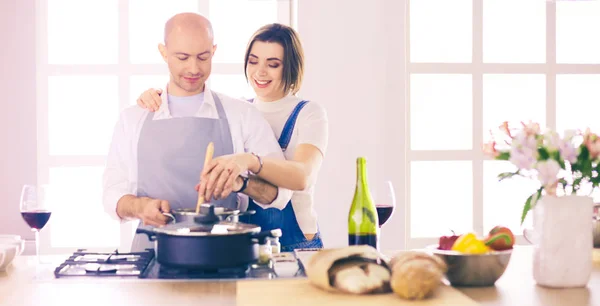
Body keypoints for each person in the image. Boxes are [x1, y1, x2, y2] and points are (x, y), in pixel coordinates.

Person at [102, 13, 292, 252]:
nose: (193, 68)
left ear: (213, 51)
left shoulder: (242, 115)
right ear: (164, 52)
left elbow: (281, 194)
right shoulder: (133, 118)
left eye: (203, 57)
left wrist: (241, 184)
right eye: (182, 57)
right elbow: (112, 194)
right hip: (152, 255)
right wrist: (139, 206)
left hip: (225, 256)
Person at [136, 23, 329, 251]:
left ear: (291, 67)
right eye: (253, 61)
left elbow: (302, 176)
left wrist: (248, 160)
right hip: (248, 241)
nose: (260, 72)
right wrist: (161, 100)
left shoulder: (309, 113)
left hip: (295, 243)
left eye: (273, 64)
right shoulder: (240, 111)